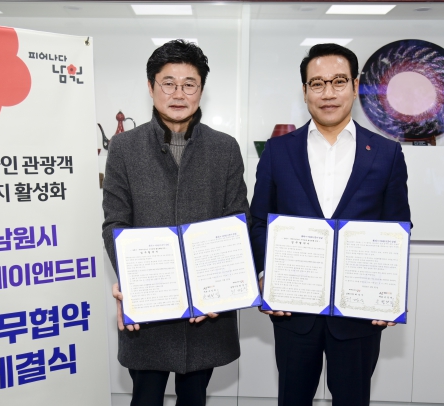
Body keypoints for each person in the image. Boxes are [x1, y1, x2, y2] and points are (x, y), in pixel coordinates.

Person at [249, 43, 411, 406]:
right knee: (293, 398)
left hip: (359, 313)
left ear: (355, 86)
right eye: (317, 83)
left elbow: (397, 227)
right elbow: (259, 221)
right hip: (293, 310)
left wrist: (389, 294)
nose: (328, 93)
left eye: (338, 81)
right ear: (305, 90)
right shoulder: (278, 151)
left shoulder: (386, 153)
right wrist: (264, 275)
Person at [102, 40, 250, 406]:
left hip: (208, 308)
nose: (179, 93)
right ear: (150, 86)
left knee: (195, 396)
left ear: (201, 89)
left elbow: (238, 222)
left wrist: (222, 286)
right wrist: (133, 278)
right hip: (150, 301)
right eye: (168, 83)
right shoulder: (124, 147)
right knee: (145, 397)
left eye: (189, 84)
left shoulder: (225, 148)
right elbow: (115, 223)